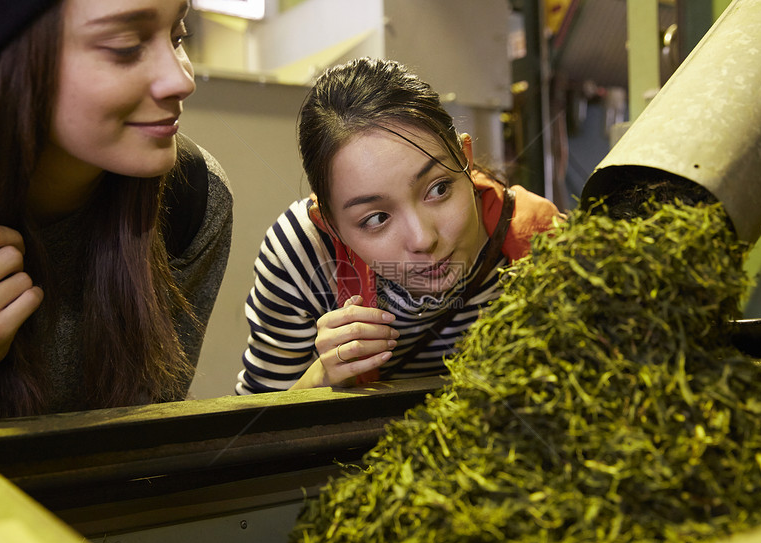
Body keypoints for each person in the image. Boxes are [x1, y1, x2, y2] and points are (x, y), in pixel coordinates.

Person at [0, 0, 233, 420]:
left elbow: (142, 447)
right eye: (125, 46)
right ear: (10, 61)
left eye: (178, 36)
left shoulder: (194, 199)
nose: (182, 78)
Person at [236, 57, 561, 393]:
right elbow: (252, 428)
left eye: (439, 189)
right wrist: (323, 378)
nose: (423, 239)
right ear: (329, 223)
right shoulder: (301, 253)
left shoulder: (540, 239)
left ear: (466, 157)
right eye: (376, 219)